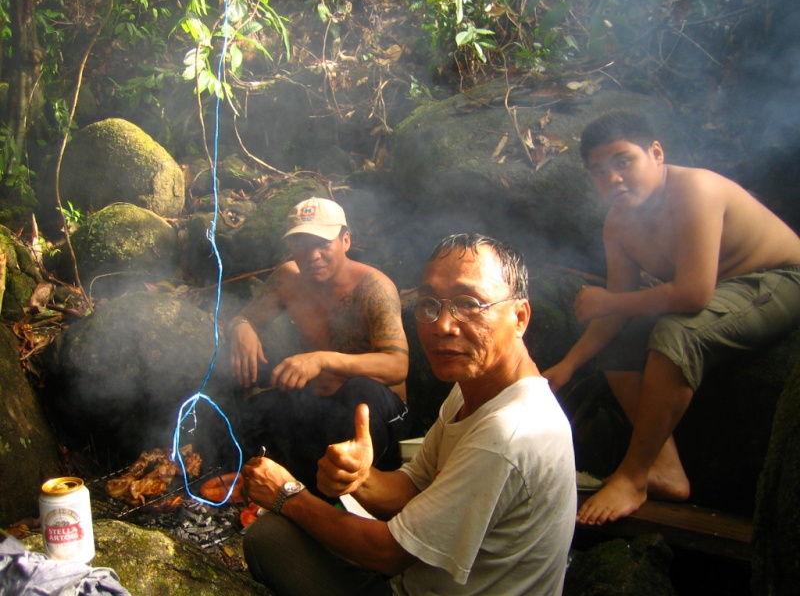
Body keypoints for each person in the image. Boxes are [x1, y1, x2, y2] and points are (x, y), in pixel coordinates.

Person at [240, 233, 577, 596]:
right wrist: (361, 476)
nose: (443, 325)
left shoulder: (509, 434)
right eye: (430, 304)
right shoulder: (472, 389)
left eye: (469, 303)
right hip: (417, 575)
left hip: (404, 578)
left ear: (520, 317)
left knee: (269, 538)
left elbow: (386, 553)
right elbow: (413, 485)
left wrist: (286, 494)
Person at [543, 109, 800, 526]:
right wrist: (569, 365)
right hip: (721, 293)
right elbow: (619, 309)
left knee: (676, 332)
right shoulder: (619, 224)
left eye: (623, 161)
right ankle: (664, 467)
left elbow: (691, 296)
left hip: (780, 278)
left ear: (656, 153)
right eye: (599, 172)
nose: (613, 180)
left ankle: (633, 474)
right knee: (623, 345)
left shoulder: (695, 190)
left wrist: (609, 302)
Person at [228, 196, 410, 495]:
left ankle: (345, 500)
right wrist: (241, 327)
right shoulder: (288, 278)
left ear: (346, 240)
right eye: (301, 244)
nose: (311, 254)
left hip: (377, 414)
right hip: (317, 404)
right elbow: (244, 318)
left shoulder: (374, 287)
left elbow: (397, 366)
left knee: (360, 391)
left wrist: (323, 360)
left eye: (322, 243)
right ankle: (255, 490)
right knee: (255, 409)